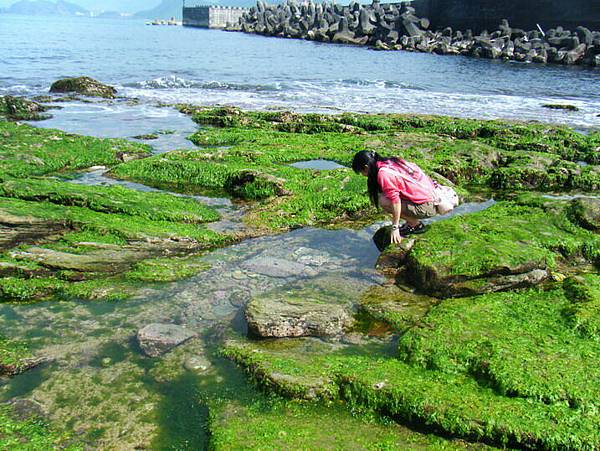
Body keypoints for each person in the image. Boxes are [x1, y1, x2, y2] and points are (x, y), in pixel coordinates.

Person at [352, 150, 438, 245]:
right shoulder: (390, 161)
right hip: (432, 197)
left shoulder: (383, 174)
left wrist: (395, 227)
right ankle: (411, 222)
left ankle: (415, 224)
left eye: (361, 172)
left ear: (366, 168)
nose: (363, 175)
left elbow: (395, 201)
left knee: (384, 201)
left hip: (427, 206)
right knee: (386, 195)